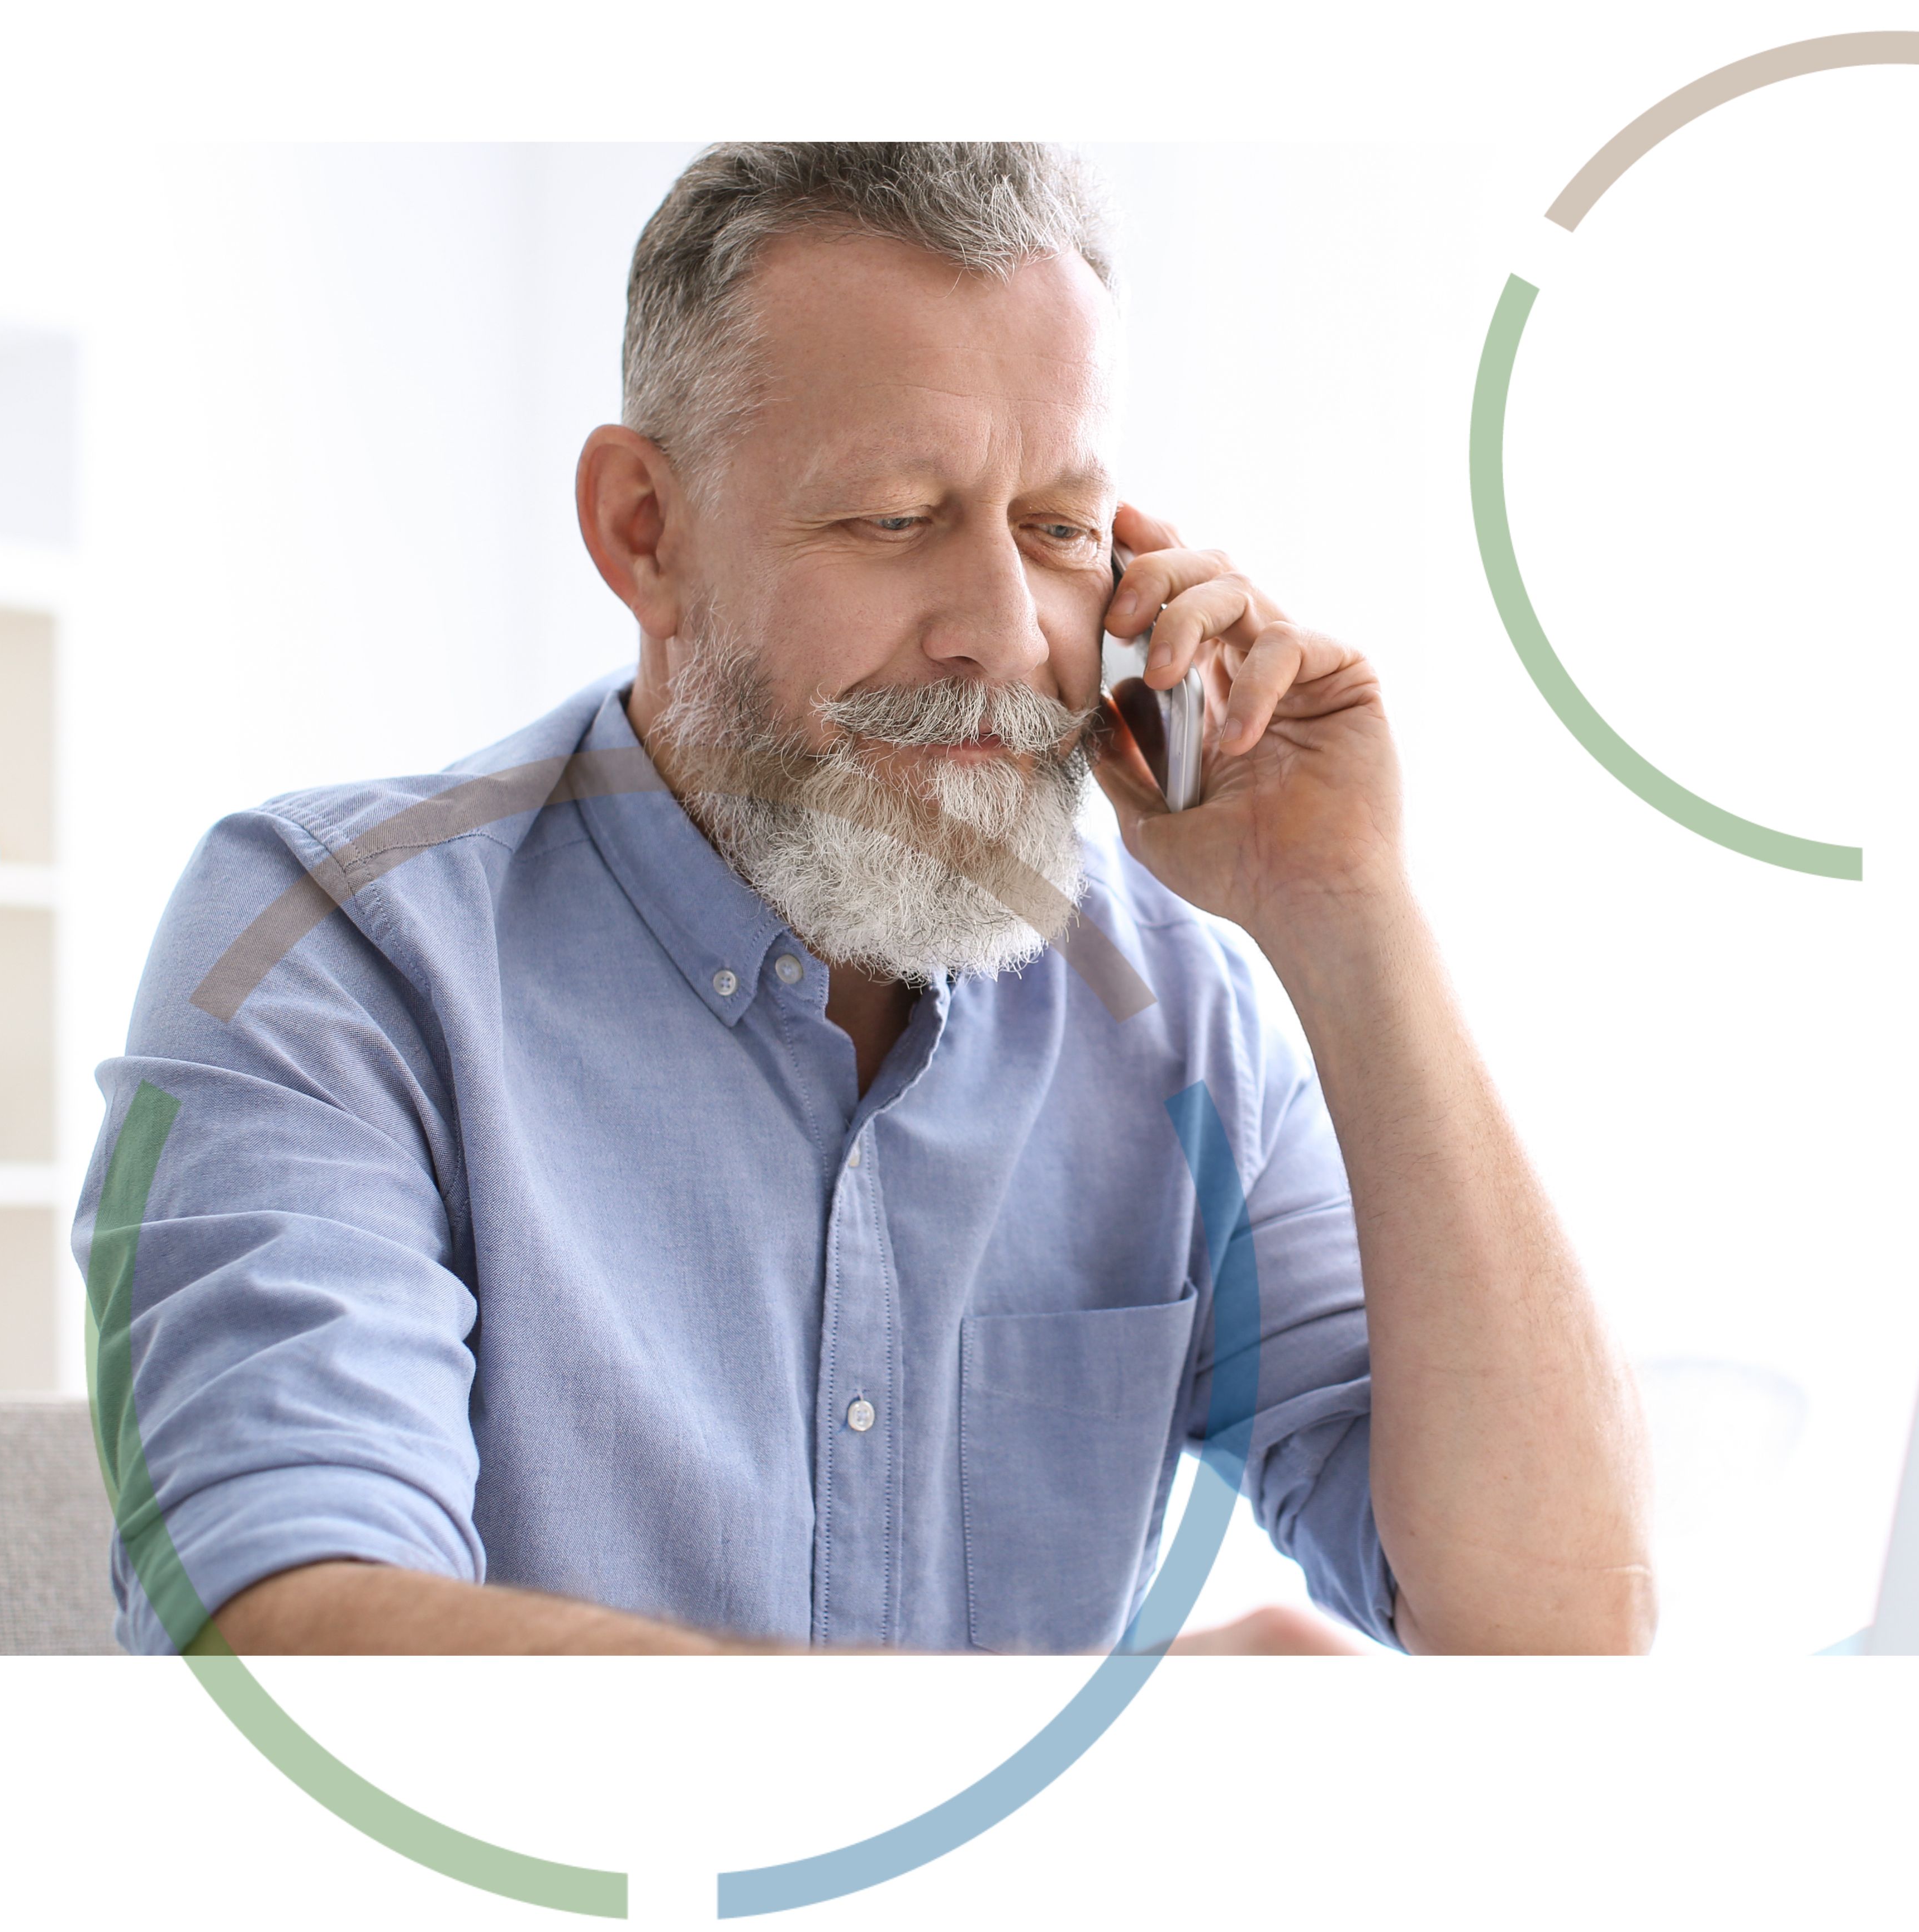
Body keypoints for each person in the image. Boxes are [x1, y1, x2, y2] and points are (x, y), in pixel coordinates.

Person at [86, 144, 1653, 1651]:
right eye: (895, 520)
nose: (1003, 629)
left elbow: (1556, 1633)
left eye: (1059, 532)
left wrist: (1346, 908)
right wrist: (1034, 1760)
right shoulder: (332, 949)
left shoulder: (1179, 1018)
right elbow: (282, 1647)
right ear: (648, 532)